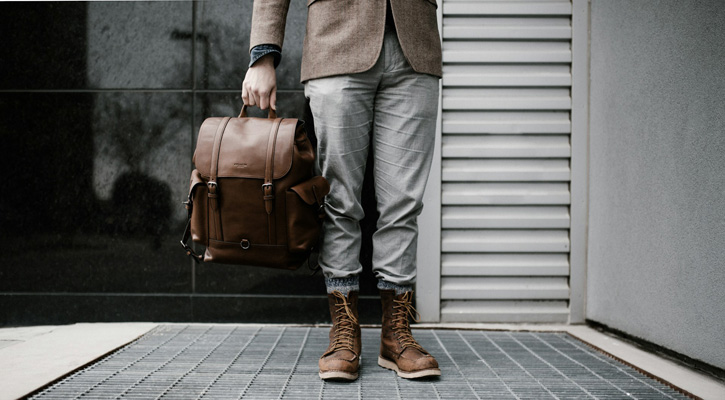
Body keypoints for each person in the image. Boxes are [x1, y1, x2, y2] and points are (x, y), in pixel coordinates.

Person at [242, 0, 442, 381]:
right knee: (337, 200)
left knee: (404, 202)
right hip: (336, 44)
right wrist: (263, 55)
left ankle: (395, 334)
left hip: (415, 44)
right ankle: (344, 328)